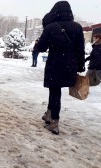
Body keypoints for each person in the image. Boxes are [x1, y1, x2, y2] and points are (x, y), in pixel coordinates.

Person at [36, 1, 85, 135]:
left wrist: (37, 45)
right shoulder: (77, 27)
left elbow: (41, 47)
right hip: (70, 66)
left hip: (55, 65)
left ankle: (54, 122)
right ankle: (49, 114)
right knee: (54, 93)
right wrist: (80, 66)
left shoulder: (50, 27)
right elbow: (81, 49)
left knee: (55, 92)